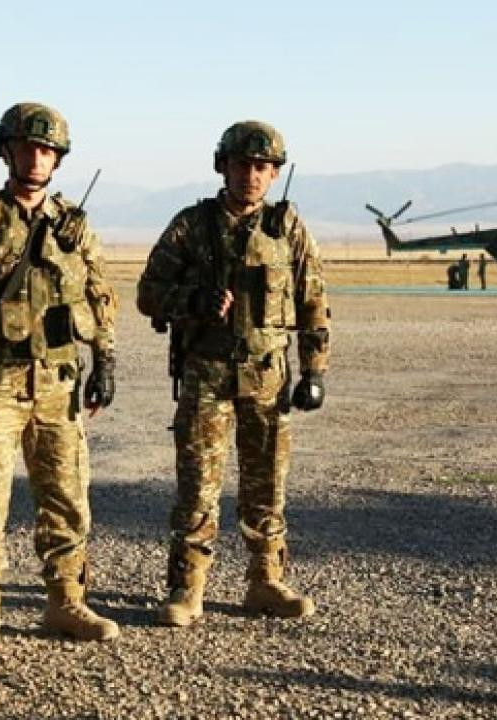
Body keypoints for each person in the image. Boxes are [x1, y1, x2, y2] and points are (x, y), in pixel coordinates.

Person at [0, 102, 120, 656]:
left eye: (47, 151)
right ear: (6, 151)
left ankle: (66, 601)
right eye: (27, 148)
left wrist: (104, 360)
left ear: (58, 159)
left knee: (67, 498)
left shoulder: (73, 226)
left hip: (58, 381)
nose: (37, 159)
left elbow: (99, 295)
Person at [137, 120, 330, 628]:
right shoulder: (192, 226)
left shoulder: (287, 229)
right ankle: (188, 587)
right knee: (198, 487)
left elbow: (313, 301)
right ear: (223, 166)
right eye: (243, 164)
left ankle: (266, 581)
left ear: (275, 174)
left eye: (263, 167)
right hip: (207, 377)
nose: (252, 175)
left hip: (268, 379)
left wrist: (314, 370)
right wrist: (193, 300)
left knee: (267, 485)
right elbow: (148, 293)